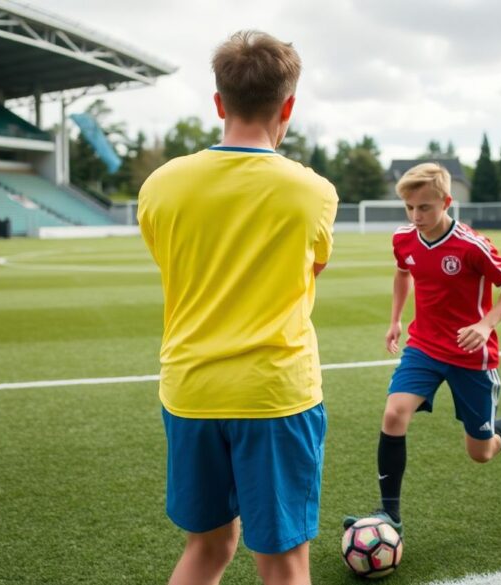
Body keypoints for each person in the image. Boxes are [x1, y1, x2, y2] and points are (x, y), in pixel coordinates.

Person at [138, 30, 338, 585]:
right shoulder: (313, 191)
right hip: (275, 394)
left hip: (191, 390)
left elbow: (174, 265)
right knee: (282, 561)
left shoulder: (160, 186)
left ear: (219, 102)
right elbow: (311, 268)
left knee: (207, 549)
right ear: (288, 107)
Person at [344, 162, 501, 535]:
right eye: (410, 208)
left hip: (470, 356)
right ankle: (390, 515)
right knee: (394, 414)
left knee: (481, 453)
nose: (416, 216)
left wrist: (485, 324)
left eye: (425, 208)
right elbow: (403, 273)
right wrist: (396, 319)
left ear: (447, 201)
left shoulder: (471, 245)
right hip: (425, 347)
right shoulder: (403, 239)